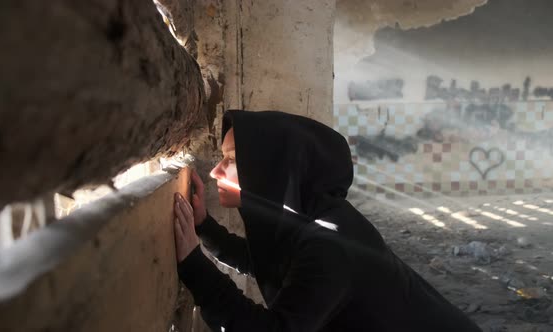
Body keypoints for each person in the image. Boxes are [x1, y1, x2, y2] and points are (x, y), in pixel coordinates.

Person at [172, 110, 481, 331]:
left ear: (272, 170)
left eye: (233, 160)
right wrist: (204, 226)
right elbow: (273, 264)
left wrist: (193, 265)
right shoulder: (313, 218)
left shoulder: (330, 243)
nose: (216, 172)